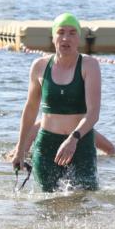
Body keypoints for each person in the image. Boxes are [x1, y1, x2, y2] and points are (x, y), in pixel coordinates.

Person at [12, 14, 102, 192]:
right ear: (53, 37)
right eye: (60, 32)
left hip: (80, 143)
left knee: (84, 202)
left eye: (72, 33)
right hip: (47, 145)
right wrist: (20, 149)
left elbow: (93, 113)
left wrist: (73, 139)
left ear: (79, 38)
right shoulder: (40, 66)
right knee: (46, 205)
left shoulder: (89, 65)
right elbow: (30, 110)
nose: (66, 38)